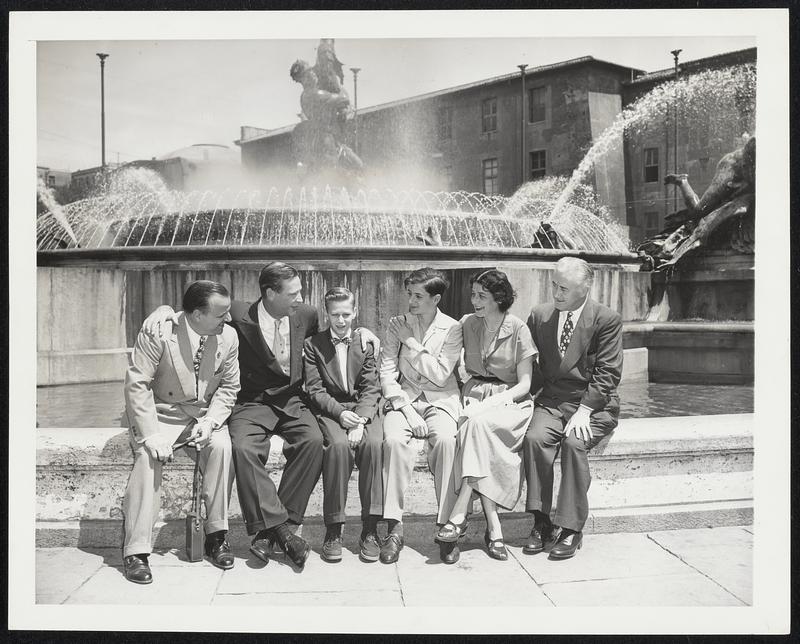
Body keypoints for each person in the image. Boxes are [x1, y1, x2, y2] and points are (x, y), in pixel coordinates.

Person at [142, 262, 378, 569]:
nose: (300, 298)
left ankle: (272, 531)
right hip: (251, 402)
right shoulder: (239, 314)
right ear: (270, 293)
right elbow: (196, 310)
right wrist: (163, 311)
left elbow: (329, 340)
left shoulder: (305, 315)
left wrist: (362, 330)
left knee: (312, 441)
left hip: (293, 400)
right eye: (293, 293)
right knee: (243, 448)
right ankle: (282, 530)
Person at [122, 280, 239, 584]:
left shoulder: (228, 336)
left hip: (202, 416)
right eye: (220, 314)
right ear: (196, 314)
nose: (228, 318)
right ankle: (136, 551)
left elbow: (229, 387)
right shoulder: (158, 332)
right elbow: (137, 384)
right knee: (148, 459)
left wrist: (211, 421)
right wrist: (151, 434)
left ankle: (216, 537)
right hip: (163, 412)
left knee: (223, 448)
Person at [522, 257, 623, 560]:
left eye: (564, 287)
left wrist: (586, 410)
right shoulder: (540, 316)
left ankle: (570, 528)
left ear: (585, 286)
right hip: (552, 402)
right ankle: (541, 522)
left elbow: (608, 373)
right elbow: (530, 367)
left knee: (574, 443)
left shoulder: (606, 319)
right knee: (534, 439)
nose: (556, 293)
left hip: (593, 403)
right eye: (553, 285)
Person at [436, 270, 537, 563]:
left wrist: (487, 406)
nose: (474, 301)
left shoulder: (518, 328)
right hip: (474, 395)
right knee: (475, 430)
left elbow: (525, 385)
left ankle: (459, 512)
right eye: (473, 295)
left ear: (498, 298)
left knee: (475, 425)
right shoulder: (468, 323)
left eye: (482, 295)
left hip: (510, 402)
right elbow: (446, 360)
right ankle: (494, 527)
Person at [379, 267, 463, 564]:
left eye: (418, 296)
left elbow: (441, 375)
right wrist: (403, 407)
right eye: (409, 295)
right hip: (404, 399)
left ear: (435, 298)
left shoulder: (453, 328)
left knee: (446, 440)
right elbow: (387, 372)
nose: (411, 302)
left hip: (440, 401)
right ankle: (394, 528)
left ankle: (446, 526)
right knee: (393, 442)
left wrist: (411, 343)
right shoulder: (396, 324)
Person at [303, 287, 384, 563]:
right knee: (337, 447)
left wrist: (360, 420)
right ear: (327, 313)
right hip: (332, 409)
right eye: (335, 314)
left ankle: (370, 529)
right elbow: (314, 390)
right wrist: (340, 415)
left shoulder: (365, 342)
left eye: (346, 314)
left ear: (355, 312)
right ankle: (333, 529)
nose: (340, 320)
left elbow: (372, 388)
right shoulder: (313, 345)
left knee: (373, 445)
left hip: (362, 407)